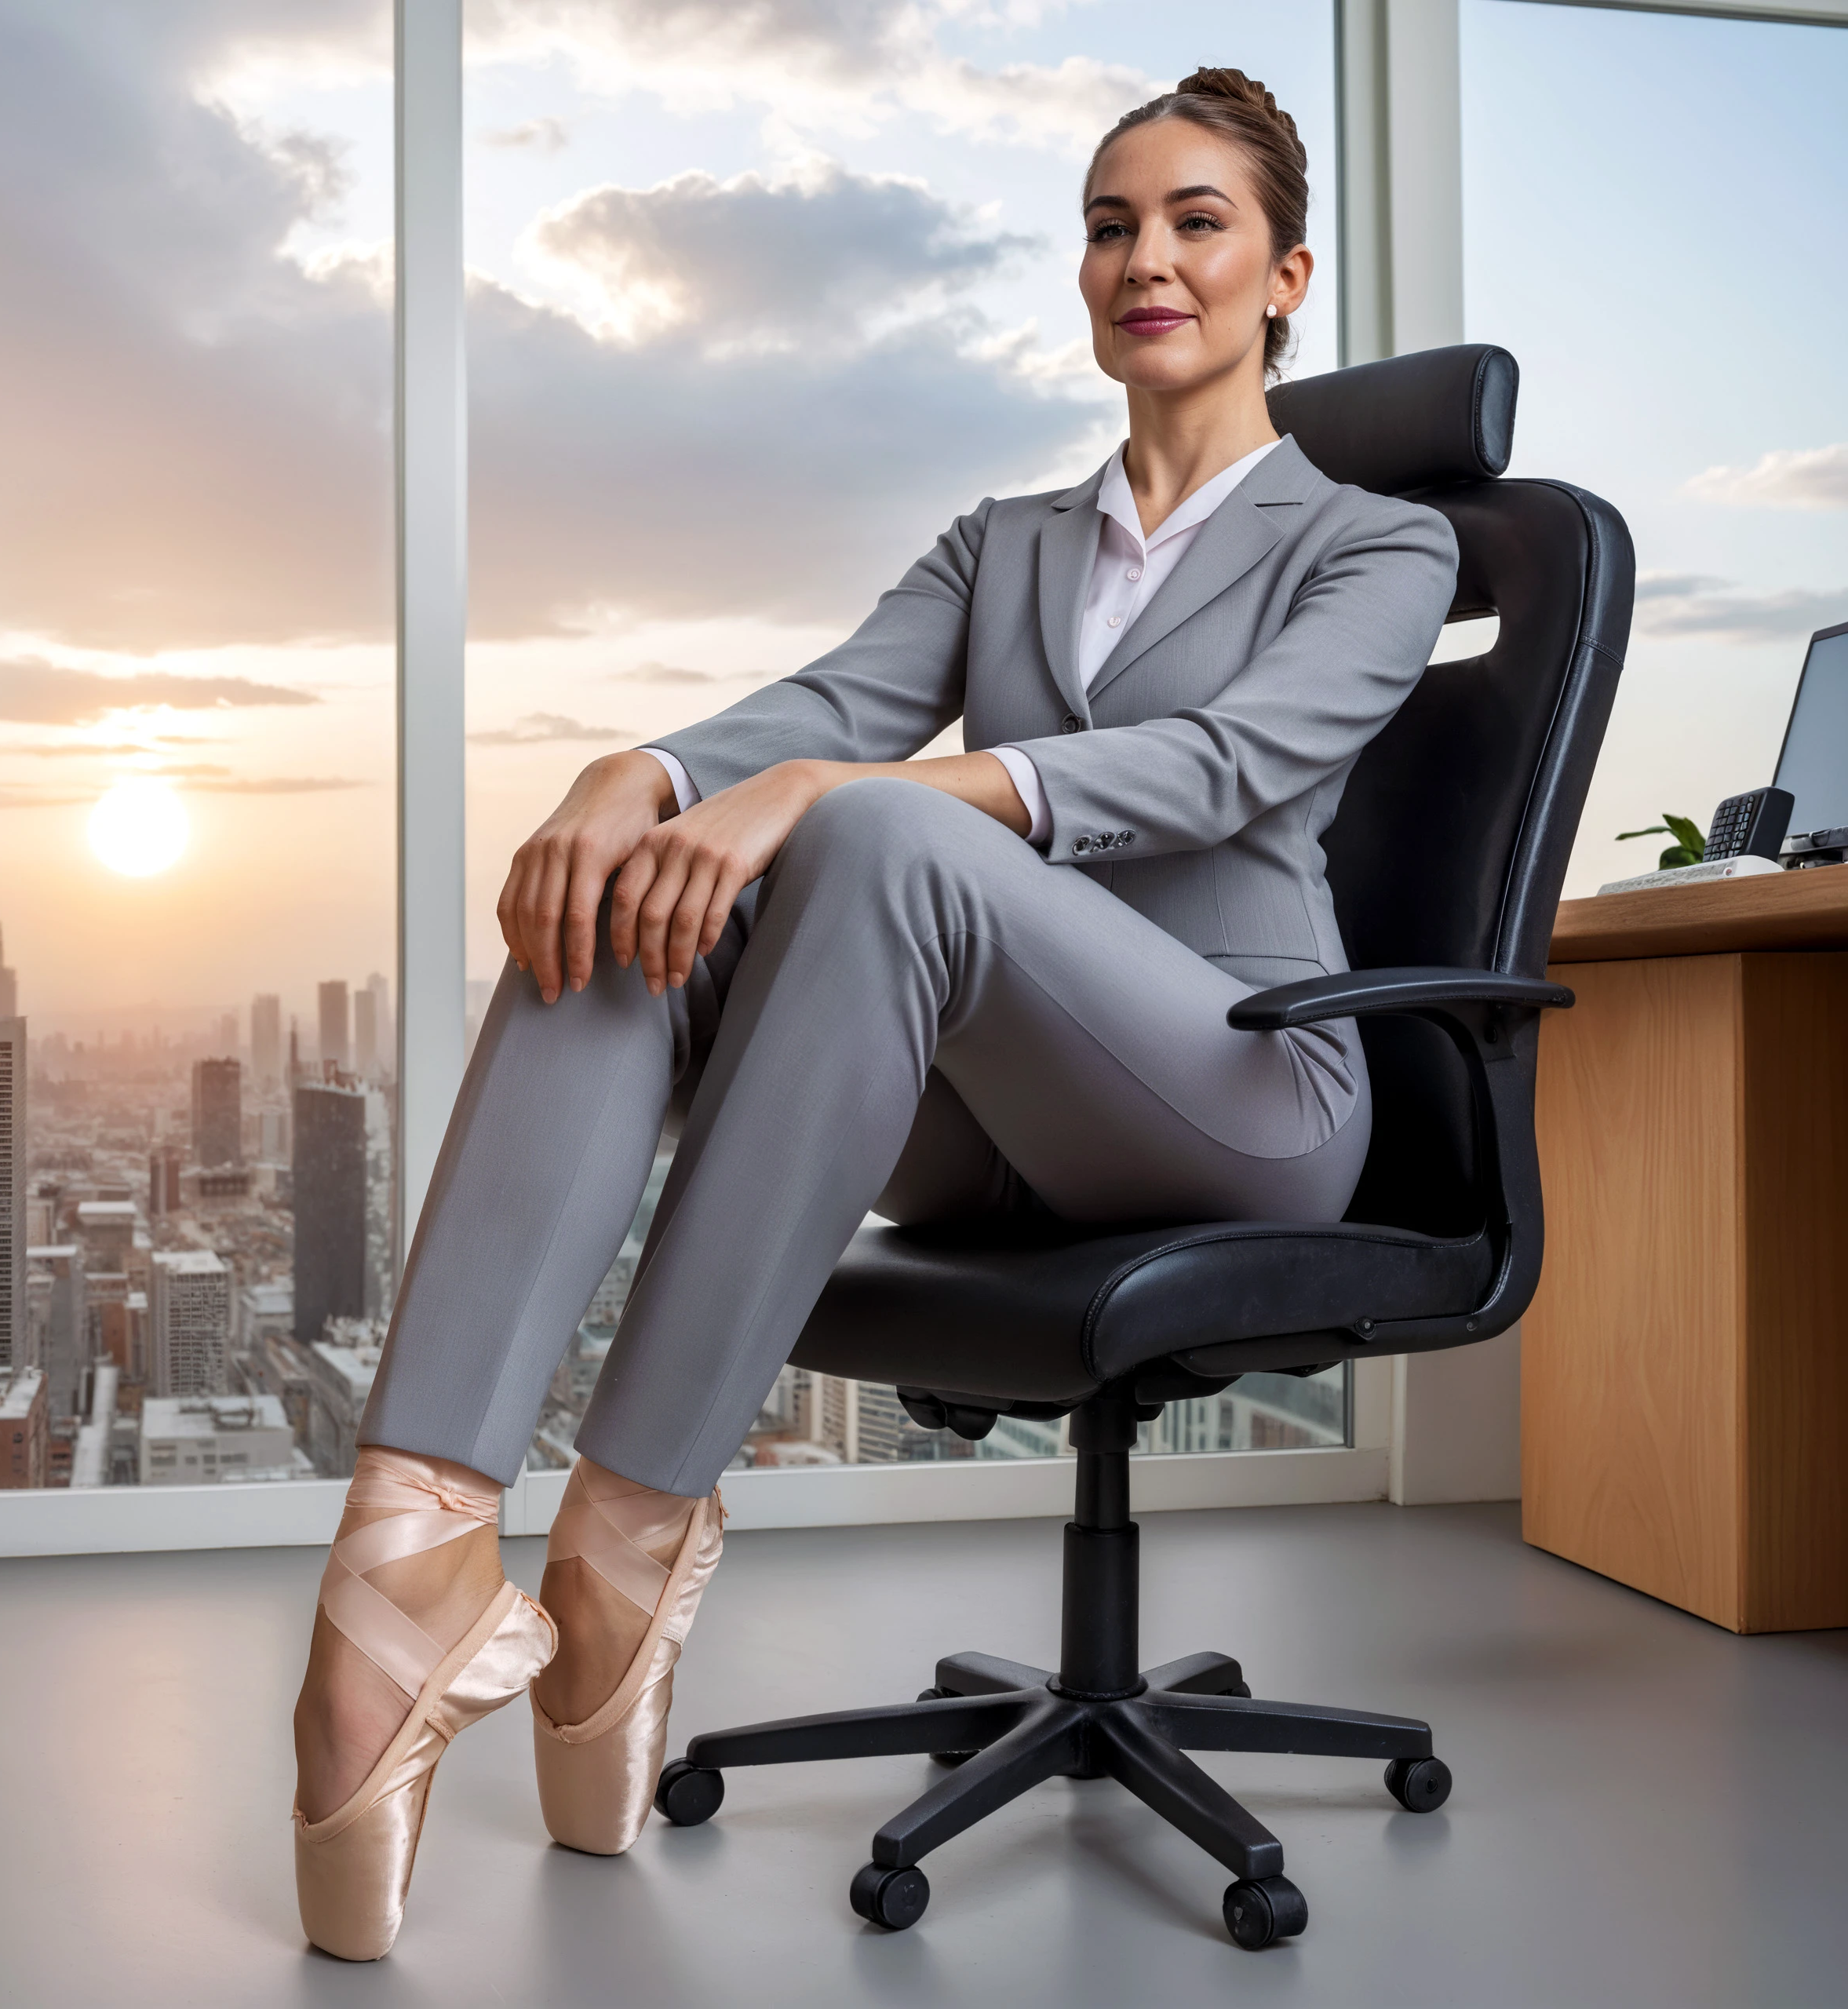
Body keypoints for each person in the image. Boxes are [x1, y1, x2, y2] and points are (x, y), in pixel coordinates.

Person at [289, 67, 1460, 1960]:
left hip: (1237, 1085)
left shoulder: (1375, 545)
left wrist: (859, 798)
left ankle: (628, 1532)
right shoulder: (1001, 539)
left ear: (1282, 278)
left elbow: (1223, 763)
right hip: (979, 1110)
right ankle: (404, 1568)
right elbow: (825, 710)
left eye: (1193, 222)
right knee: (623, 898)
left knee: (874, 844)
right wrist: (638, 770)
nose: (1142, 256)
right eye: (1107, 223)